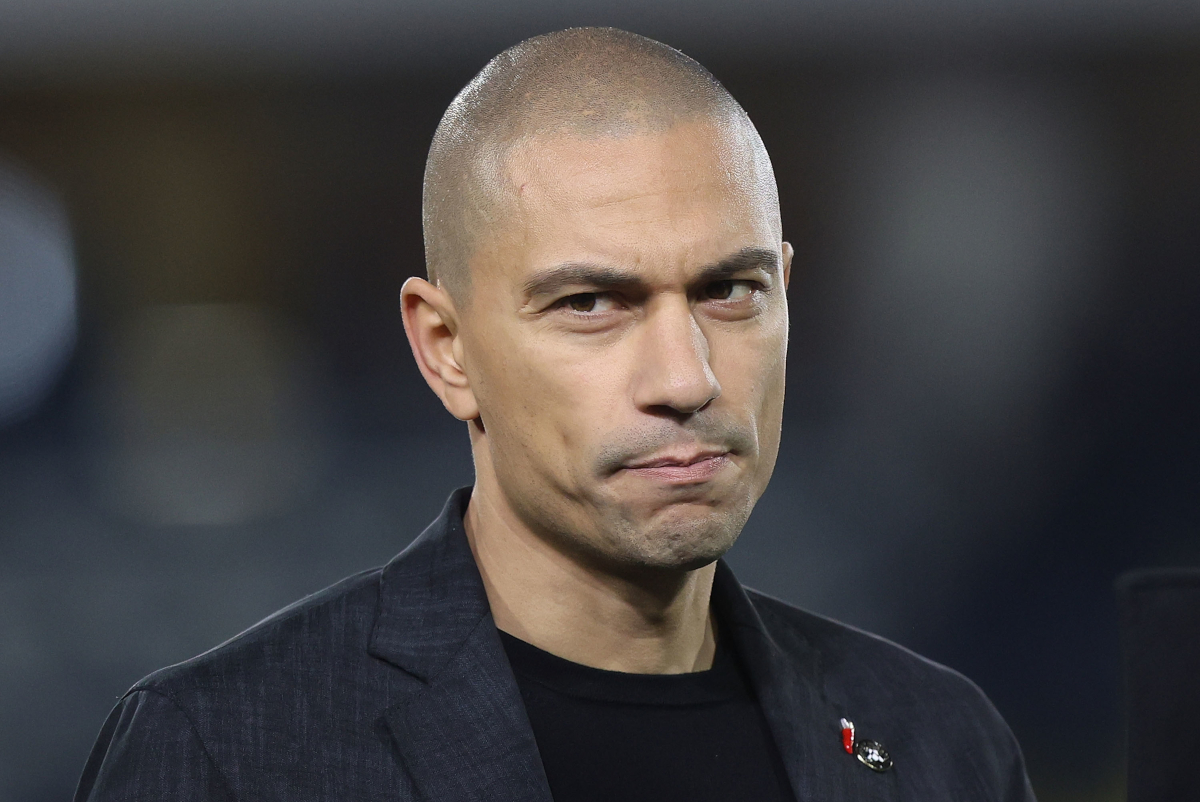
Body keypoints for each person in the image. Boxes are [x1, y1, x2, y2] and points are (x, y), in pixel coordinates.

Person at [75, 27, 1036, 802]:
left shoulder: (933, 742)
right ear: (446, 349)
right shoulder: (233, 752)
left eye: (729, 291)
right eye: (590, 304)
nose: (686, 376)